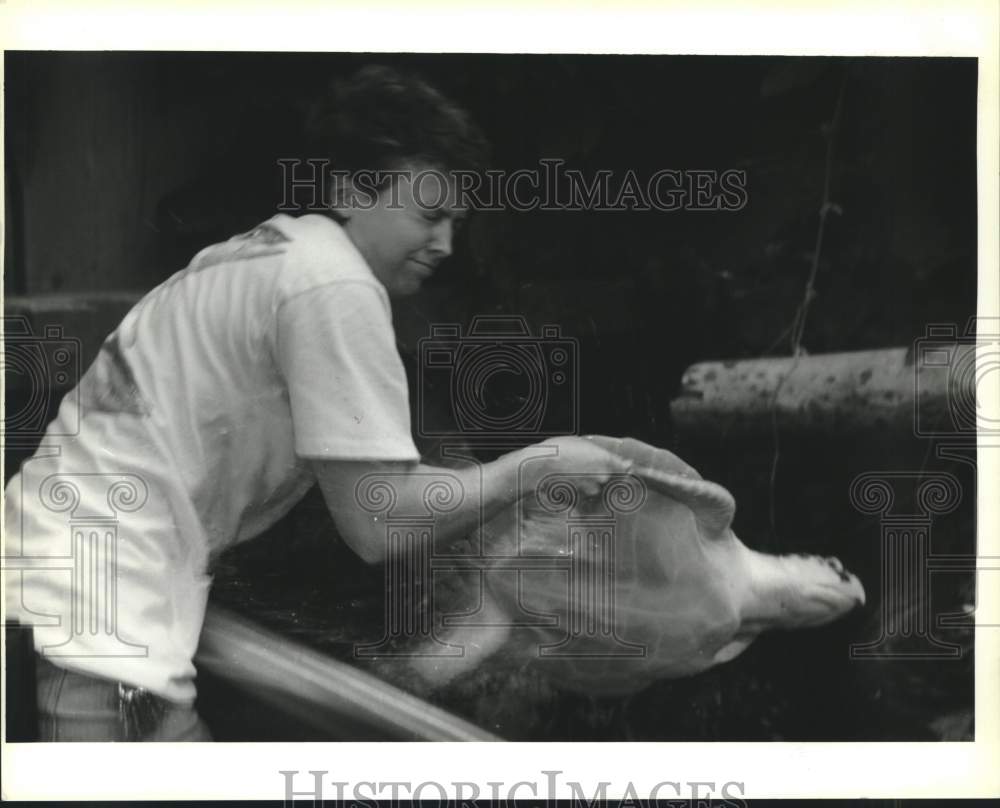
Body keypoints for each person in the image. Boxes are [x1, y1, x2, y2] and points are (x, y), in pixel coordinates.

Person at [4, 65, 630, 741]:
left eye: (457, 221)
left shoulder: (259, 256)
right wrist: (535, 468)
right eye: (430, 215)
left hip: (57, 582)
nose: (447, 244)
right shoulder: (332, 286)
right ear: (351, 189)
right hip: (99, 621)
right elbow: (380, 521)